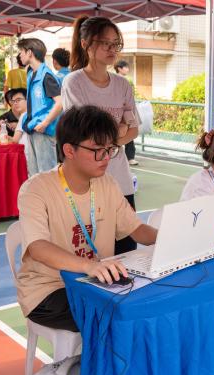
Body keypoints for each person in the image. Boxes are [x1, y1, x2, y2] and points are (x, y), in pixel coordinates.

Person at [16, 105, 158, 332]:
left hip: (97, 282)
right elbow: (38, 247)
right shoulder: (36, 189)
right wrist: (89, 266)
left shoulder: (107, 183)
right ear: (69, 150)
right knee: (116, 317)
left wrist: (168, 238)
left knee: (146, 304)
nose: (106, 157)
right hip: (49, 289)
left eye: (110, 149)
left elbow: (136, 228)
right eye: (97, 150)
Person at [63, 15, 140, 256]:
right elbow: (85, 134)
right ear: (85, 44)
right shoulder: (74, 82)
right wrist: (117, 130)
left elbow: (134, 129)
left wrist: (105, 142)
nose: (112, 49)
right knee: (92, 250)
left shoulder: (122, 85)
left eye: (115, 44)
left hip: (120, 178)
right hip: (87, 181)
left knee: (127, 247)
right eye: (105, 43)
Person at [18, 38, 63, 176]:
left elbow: (60, 103)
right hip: (32, 128)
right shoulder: (31, 73)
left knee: (47, 174)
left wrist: (45, 123)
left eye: (21, 51)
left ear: (29, 52)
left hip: (43, 130)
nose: (20, 55)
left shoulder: (46, 75)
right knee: (34, 174)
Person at [114, 60, 138, 166]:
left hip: (126, 110)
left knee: (129, 132)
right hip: (119, 110)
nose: (128, 69)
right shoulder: (116, 80)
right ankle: (128, 157)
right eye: (125, 67)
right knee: (122, 132)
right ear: (119, 68)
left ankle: (130, 157)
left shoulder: (125, 80)